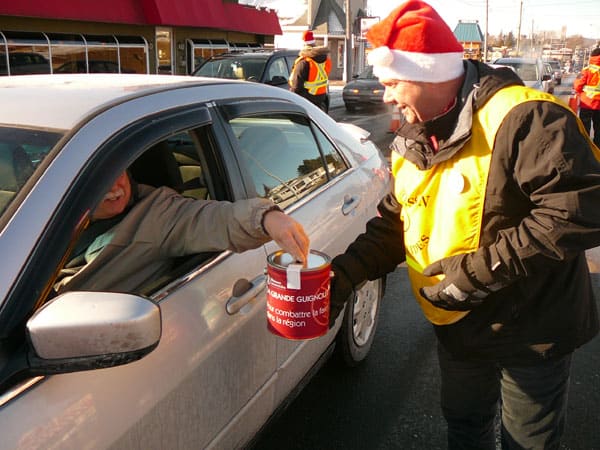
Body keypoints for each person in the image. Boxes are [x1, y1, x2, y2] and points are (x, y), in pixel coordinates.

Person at [328, 1, 600, 449]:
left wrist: (478, 272)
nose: (387, 96)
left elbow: (580, 205)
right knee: (465, 426)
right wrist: (345, 275)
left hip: (532, 327)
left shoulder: (526, 117)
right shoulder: (412, 136)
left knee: (528, 443)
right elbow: (399, 220)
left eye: (393, 83)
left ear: (430, 76)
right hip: (459, 323)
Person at [56, 170, 309, 293]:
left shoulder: (156, 213)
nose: (113, 185)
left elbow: (212, 219)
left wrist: (266, 218)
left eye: (117, 170)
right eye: (99, 178)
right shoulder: (40, 212)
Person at [288, 29, 331, 111]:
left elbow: (296, 85)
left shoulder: (304, 62)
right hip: (320, 97)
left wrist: (292, 99)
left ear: (304, 43)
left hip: (306, 98)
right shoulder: (325, 60)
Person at [574, 47, 600, 147]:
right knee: (599, 130)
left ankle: (586, 149)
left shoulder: (587, 70)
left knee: (584, 129)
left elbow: (577, 86)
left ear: (592, 57)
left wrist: (579, 91)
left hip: (587, 104)